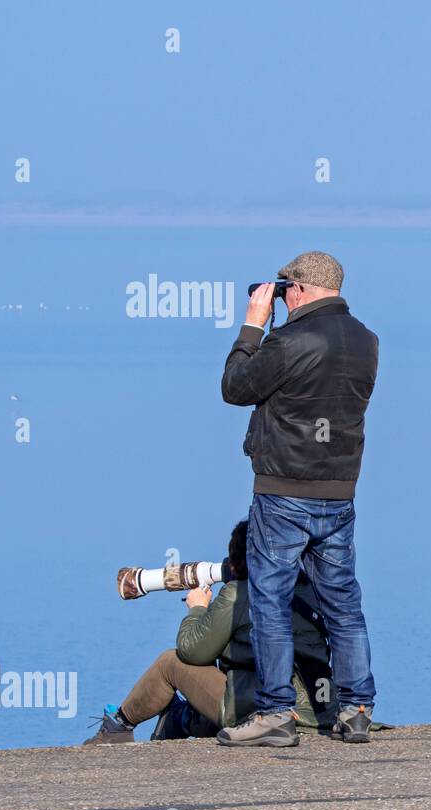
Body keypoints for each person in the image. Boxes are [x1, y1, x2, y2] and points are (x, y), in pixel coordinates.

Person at [219, 251, 379, 746]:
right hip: (339, 491)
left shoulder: (288, 340)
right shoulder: (367, 342)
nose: (282, 298)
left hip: (283, 491)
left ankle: (275, 714)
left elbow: (235, 388)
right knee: (343, 601)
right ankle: (356, 709)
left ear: (301, 289)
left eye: (285, 289)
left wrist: (251, 327)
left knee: (270, 601)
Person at [83, 521, 337, 745]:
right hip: (319, 706)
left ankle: (118, 727)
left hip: (264, 707)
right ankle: (180, 719)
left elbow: (192, 651)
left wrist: (197, 609)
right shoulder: (310, 588)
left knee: (169, 663)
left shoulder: (240, 594)